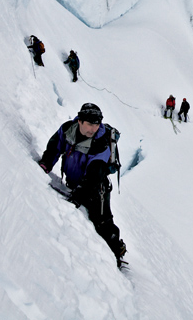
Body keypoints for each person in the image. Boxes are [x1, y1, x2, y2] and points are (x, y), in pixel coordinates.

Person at [38, 103, 127, 267]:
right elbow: (54, 147)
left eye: (96, 124)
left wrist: (78, 196)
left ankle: (116, 252)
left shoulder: (101, 143)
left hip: (97, 188)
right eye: (89, 124)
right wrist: (45, 164)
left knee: (102, 222)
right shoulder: (67, 130)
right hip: (74, 183)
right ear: (80, 120)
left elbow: (95, 174)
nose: (93, 129)